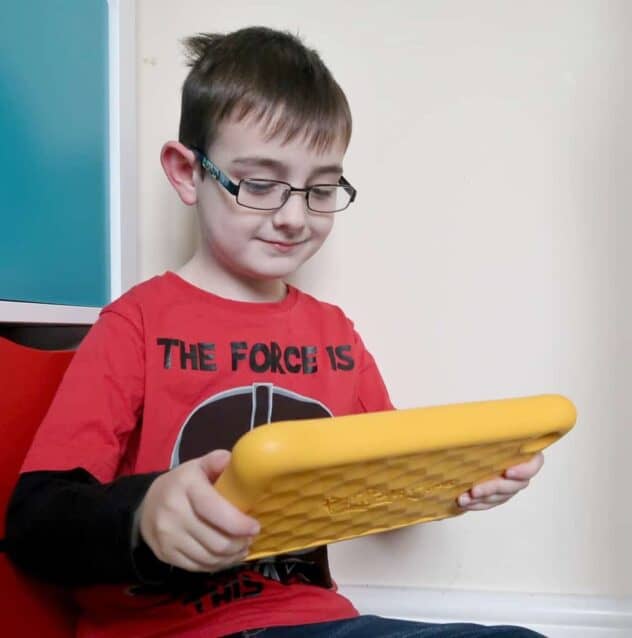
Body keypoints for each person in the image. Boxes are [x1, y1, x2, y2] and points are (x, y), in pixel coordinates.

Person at [5, 26, 545, 638]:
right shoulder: (136, 324)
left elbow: (383, 480)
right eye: (259, 184)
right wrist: (143, 513)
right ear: (187, 173)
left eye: (320, 189)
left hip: (313, 621)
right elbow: (35, 519)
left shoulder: (334, 334)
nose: (293, 217)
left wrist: (465, 479)